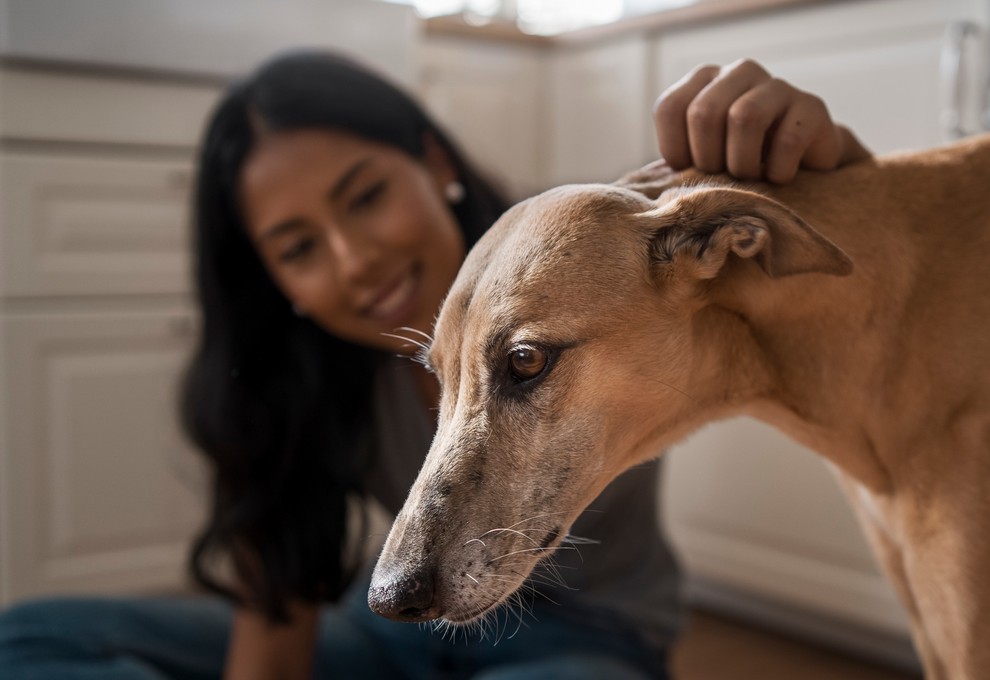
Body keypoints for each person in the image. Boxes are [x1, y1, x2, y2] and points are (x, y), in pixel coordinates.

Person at [0, 51, 869, 680]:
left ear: (434, 163)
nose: (354, 262)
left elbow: (828, 267)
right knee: (26, 641)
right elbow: (275, 631)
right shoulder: (298, 377)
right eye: (299, 247)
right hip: (386, 634)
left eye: (365, 197)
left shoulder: (596, 264)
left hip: (583, 639)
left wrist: (811, 151)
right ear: (275, 282)